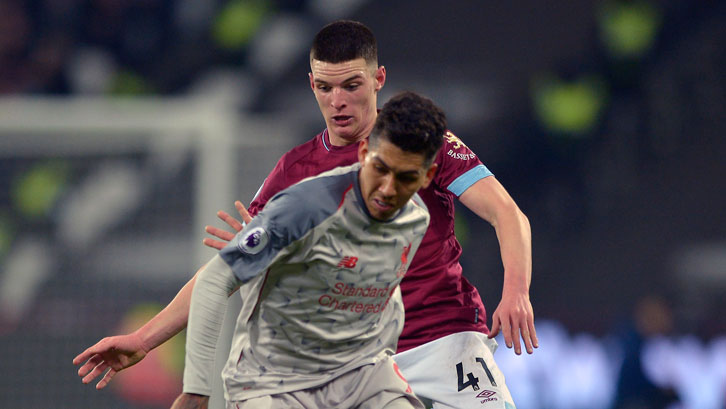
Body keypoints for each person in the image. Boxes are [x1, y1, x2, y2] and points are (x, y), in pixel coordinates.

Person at [74, 20, 536, 409]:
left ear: (378, 79)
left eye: (351, 85)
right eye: (325, 87)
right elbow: (223, 273)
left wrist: (515, 292)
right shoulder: (295, 175)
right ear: (311, 85)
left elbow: (507, 213)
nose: (338, 101)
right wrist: (145, 338)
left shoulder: (421, 141)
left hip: (445, 340)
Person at [185, 91, 441, 409]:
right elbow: (215, 279)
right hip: (275, 381)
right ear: (363, 152)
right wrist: (196, 389)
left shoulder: (416, 219)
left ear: (427, 176)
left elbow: (380, 285)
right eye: (380, 168)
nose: (388, 189)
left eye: (406, 178)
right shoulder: (306, 207)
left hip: (361, 375)